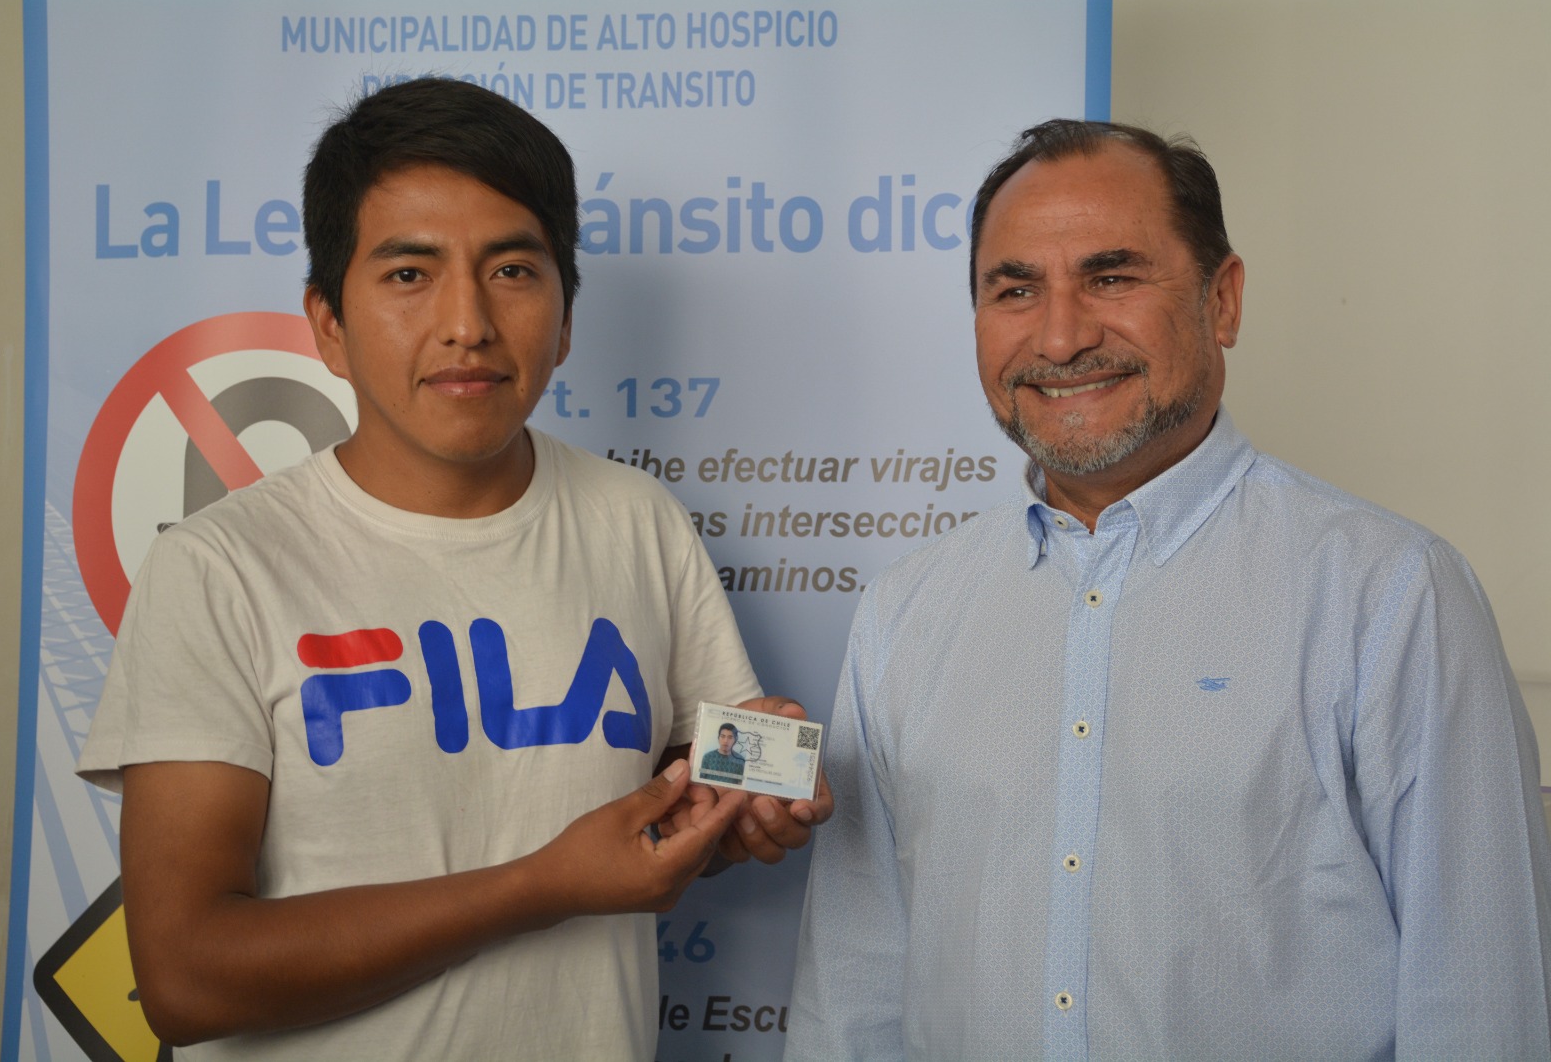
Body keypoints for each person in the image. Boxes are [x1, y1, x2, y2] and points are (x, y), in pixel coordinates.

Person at [77, 77, 829, 1061]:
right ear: (328, 324)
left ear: (566, 317)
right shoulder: (218, 569)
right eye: (409, 273)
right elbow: (185, 977)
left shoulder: (636, 519)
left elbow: (671, 813)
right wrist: (539, 886)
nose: (467, 322)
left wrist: (733, 812)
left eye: (512, 270)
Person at [785, 119, 1551, 1060]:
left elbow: (1481, 1002)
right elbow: (853, 994)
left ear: (1222, 301)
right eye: (1015, 290)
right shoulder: (905, 613)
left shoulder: (1391, 596)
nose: (1061, 336)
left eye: (1112, 278)